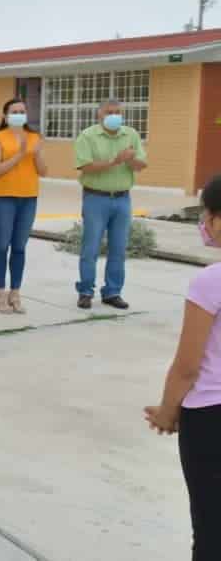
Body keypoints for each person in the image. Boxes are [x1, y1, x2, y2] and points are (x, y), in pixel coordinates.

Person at [144, 173, 221, 560]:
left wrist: (166, 411)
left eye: (207, 213)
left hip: (210, 419)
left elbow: (188, 366)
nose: (203, 223)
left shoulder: (210, 283)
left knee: (211, 530)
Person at [74, 99, 148, 310]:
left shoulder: (131, 135)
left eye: (117, 112)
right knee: (91, 248)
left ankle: (113, 292)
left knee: (118, 249)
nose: (114, 116)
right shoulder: (88, 136)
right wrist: (115, 161)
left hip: (123, 199)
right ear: (99, 115)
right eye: (109, 112)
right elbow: (85, 167)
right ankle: (86, 291)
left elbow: (141, 165)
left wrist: (130, 160)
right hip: (95, 198)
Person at [0, 98, 48, 314]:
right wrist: (20, 155)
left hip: (28, 197)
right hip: (4, 197)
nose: (19, 114)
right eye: (14, 111)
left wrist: (36, 153)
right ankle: (1, 293)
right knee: (2, 245)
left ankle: (15, 292)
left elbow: (43, 171)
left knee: (20, 247)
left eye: (22, 111)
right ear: (5, 116)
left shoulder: (34, 138)